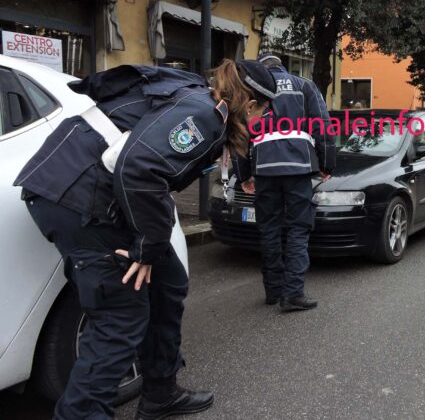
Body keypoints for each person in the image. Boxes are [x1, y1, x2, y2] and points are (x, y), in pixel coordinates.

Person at [14, 59, 275, 419]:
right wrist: (147, 247)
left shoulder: (200, 103)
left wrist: (151, 247)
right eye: (265, 114)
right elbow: (139, 168)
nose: (262, 124)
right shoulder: (205, 114)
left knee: (168, 283)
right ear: (250, 105)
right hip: (78, 199)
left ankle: (160, 393)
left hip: (92, 194)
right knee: (119, 314)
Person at [237, 59, 336, 312]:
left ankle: (273, 290)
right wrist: (327, 163)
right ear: (282, 67)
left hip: (264, 167)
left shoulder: (252, 88)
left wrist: (244, 175)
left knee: (268, 227)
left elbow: (239, 133)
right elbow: (322, 126)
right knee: (298, 228)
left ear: (263, 68)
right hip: (298, 166)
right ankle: (292, 293)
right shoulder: (304, 85)